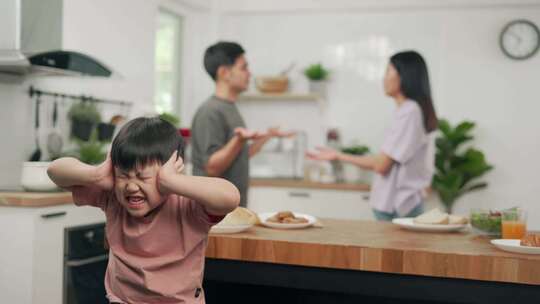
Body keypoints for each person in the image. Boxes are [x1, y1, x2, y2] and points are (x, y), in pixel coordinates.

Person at [47, 116, 240, 303]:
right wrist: (96, 174)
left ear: (170, 171)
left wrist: (172, 181)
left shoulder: (188, 207)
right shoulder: (113, 198)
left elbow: (230, 197)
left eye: (143, 177)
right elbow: (55, 171)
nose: (131, 186)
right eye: (124, 175)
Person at [307, 51, 437, 221]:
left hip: (397, 207)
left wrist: (338, 155)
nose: (383, 78)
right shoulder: (410, 110)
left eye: (388, 71)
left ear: (405, 75)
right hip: (400, 205)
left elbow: (382, 165)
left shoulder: (409, 111)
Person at [191, 41, 293, 207]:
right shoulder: (210, 111)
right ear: (224, 73)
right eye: (244, 68)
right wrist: (238, 140)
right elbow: (211, 167)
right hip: (213, 213)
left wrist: (269, 135)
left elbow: (239, 155)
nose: (249, 74)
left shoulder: (229, 107)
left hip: (230, 210)